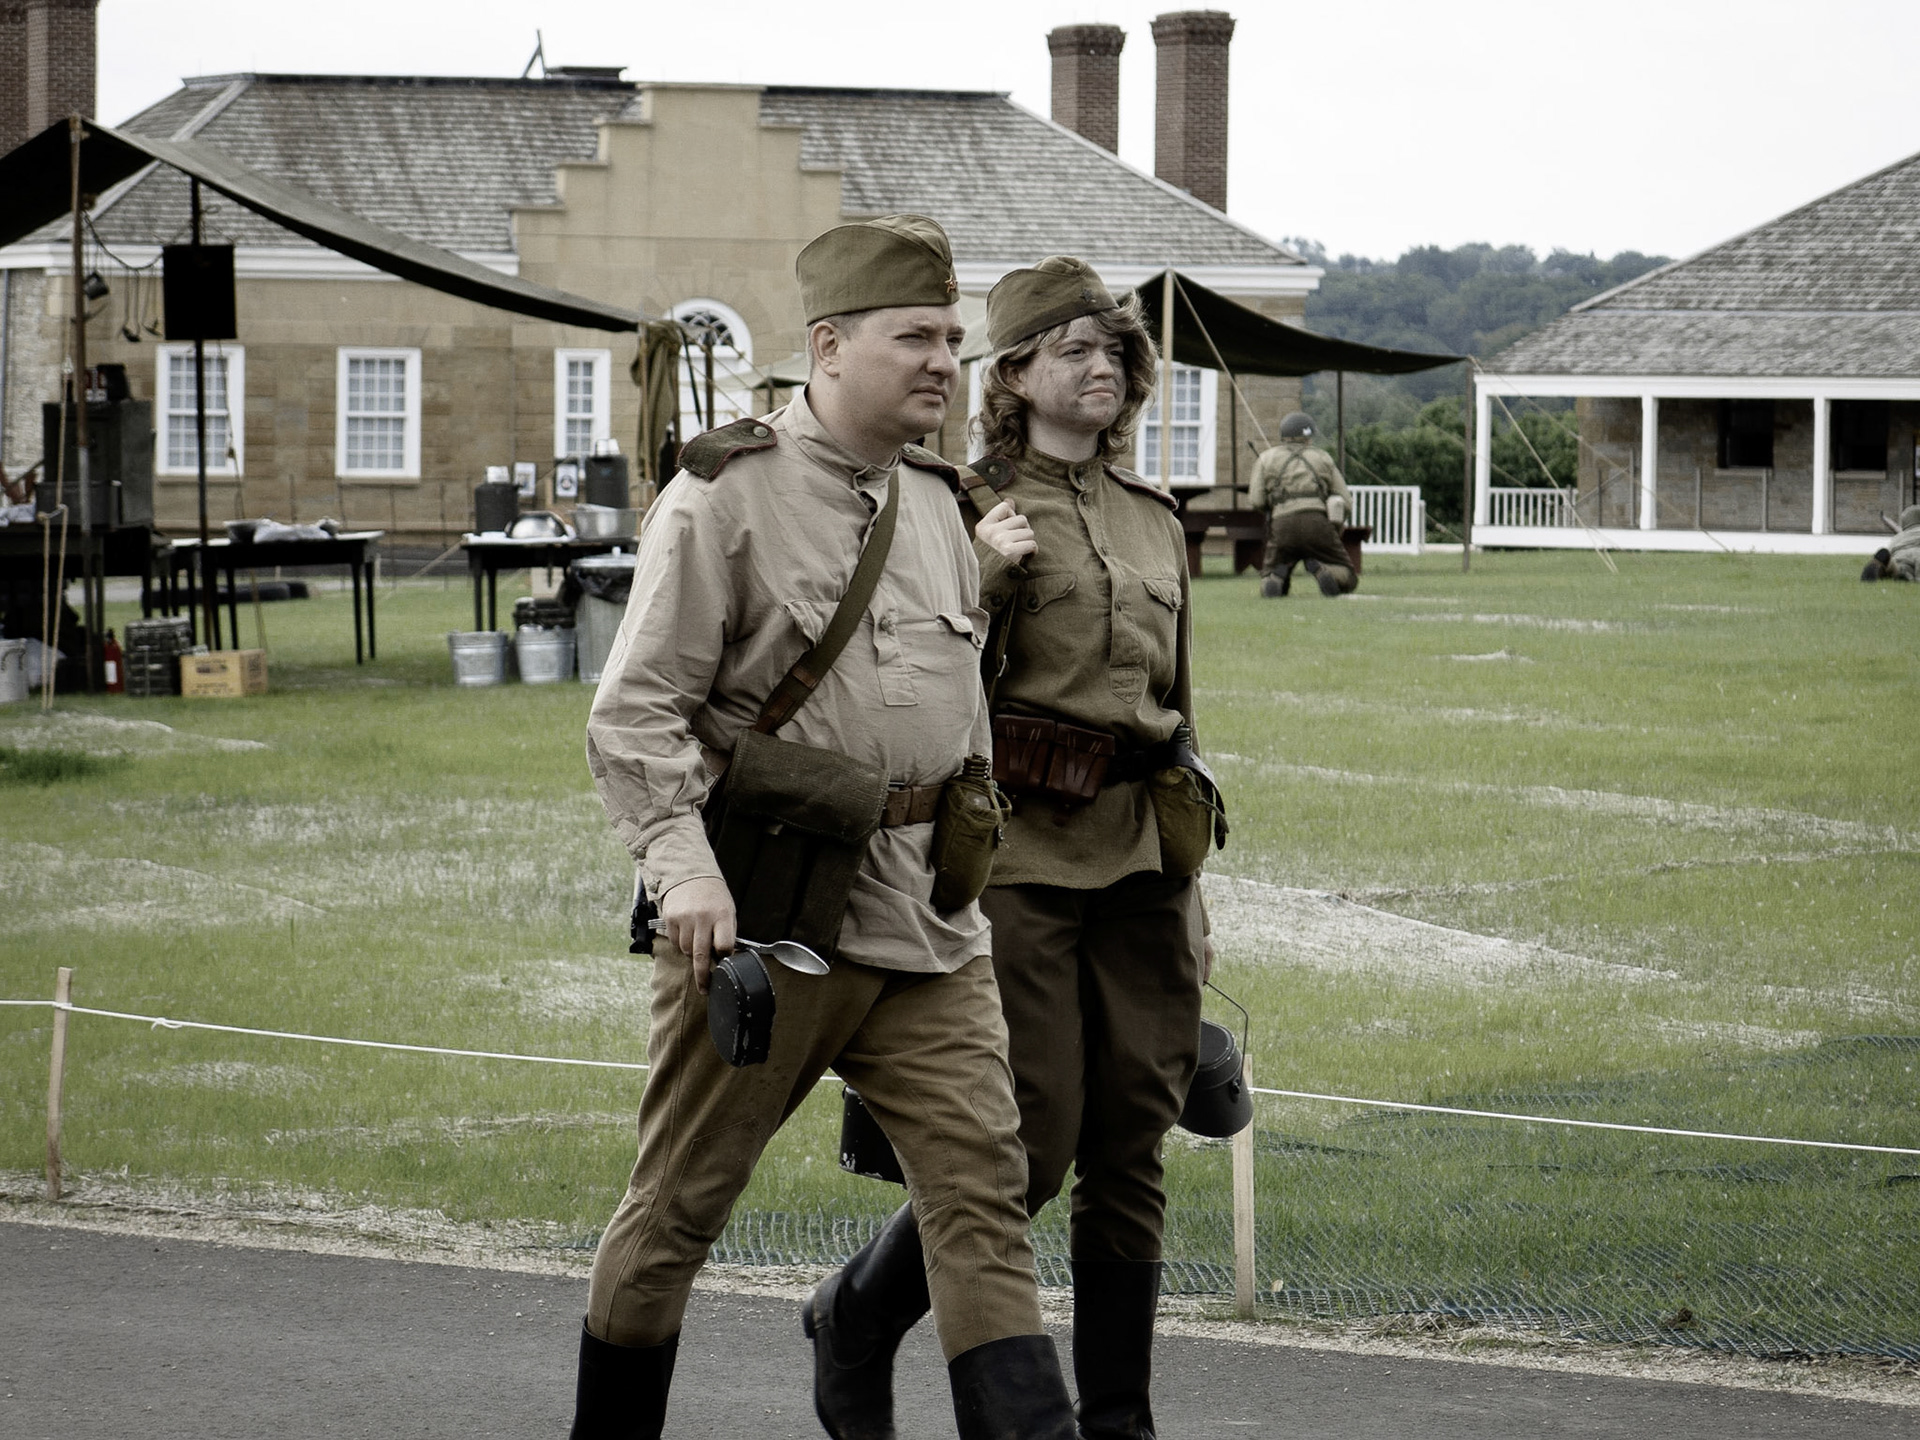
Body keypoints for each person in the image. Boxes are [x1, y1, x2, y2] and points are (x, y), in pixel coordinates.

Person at [574, 215, 1078, 1440]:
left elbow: (957, 712)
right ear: (831, 345)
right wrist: (681, 870)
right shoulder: (724, 498)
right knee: (678, 1211)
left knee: (982, 1200)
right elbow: (636, 712)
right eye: (917, 337)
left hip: (926, 920)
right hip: (766, 919)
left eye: (955, 340)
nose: (944, 363)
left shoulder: (941, 502)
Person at [804, 256, 1222, 1440]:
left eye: (1117, 353)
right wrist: (979, 578)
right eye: (1074, 350)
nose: (1103, 368)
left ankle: (1121, 1425)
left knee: (1135, 1137)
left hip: (1144, 854)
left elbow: (1180, 711)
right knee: (1026, 1144)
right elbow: (914, 682)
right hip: (1020, 856)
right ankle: (855, 1315)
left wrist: (1194, 885)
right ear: (1018, 372)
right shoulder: (949, 501)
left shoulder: (1154, 519)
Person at [1248, 411, 1357, 597]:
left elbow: (1256, 500)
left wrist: (1273, 507)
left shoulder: (1266, 458)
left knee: (1272, 570)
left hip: (1282, 524)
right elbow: (1345, 500)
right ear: (1309, 437)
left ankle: (1274, 579)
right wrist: (1336, 527)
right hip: (1317, 522)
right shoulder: (1322, 457)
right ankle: (1327, 571)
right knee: (1348, 575)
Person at [1861, 503, 1920, 581]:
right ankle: (1905, 575)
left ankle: (1893, 567)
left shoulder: (1898, 537)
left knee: (1902, 567)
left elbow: (1891, 549)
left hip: (1900, 555)